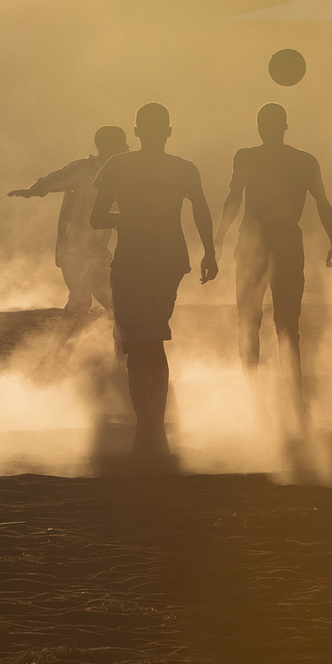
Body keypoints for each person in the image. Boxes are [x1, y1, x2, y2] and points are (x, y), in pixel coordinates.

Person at [90, 102, 217, 456]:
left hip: (132, 261)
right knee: (155, 338)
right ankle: (153, 425)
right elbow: (201, 208)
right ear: (169, 132)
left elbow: (97, 218)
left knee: (137, 342)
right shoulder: (183, 168)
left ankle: (145, 422)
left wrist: (127, 218)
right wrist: (209, 251)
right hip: (169, 262)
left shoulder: (118, 164)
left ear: (136, 132)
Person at [215, 102, 332, 419]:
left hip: (259, 244)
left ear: (260, 128)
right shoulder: (301, 161)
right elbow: (322, 202)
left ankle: (262, 400)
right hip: (276, 243)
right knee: (285, 327)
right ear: (284, 127)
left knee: (252, 324)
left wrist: (217, 240)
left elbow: (233, 199)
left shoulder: (249, 157)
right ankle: (291, 403)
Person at [9, 125, 129, 313]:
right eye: (122, 143)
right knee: (80, 302)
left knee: (116, 306)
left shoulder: (121, 177)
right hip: (74, 248)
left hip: (99, 251)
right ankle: (57, 344)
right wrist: (32, 191)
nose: (127, 147)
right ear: (109, 146)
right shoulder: (84, 169)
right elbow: (56, 179)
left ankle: (120, 343)